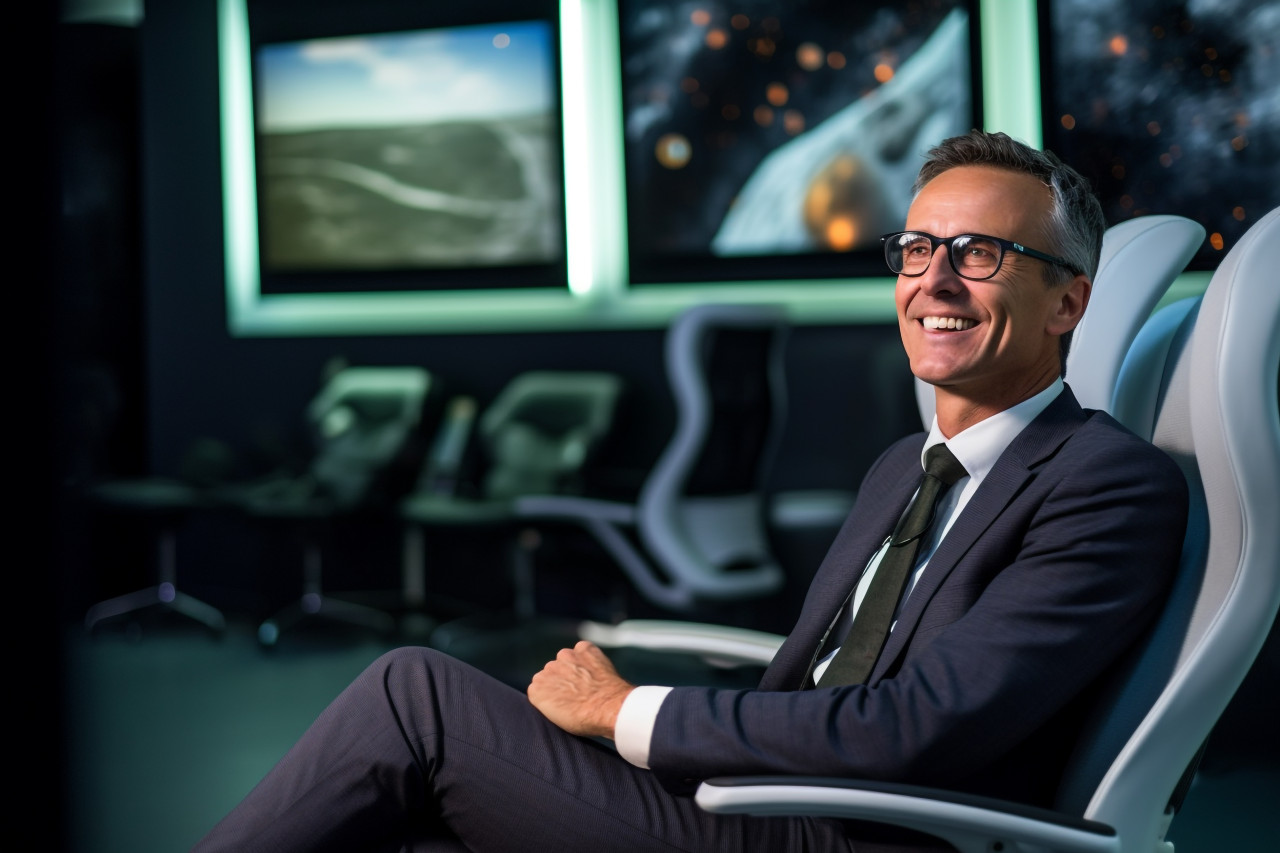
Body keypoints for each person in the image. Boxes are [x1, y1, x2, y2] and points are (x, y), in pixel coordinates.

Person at [192, 131, 1189, 853]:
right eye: (917, 249)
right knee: (413, 804)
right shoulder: (905, 463)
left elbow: (911, 725)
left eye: (978, 254)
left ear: (1068, 300)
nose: (933, 281)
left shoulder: (1102, 483)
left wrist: (630, 711)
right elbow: (813, 685)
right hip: (770, 796)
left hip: (853, 834)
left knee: (417, 699)